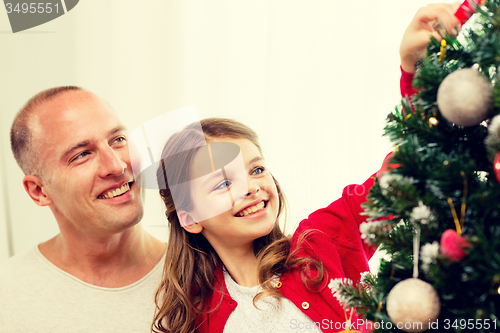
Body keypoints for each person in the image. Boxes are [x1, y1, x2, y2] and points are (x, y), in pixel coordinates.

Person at [152, 3, 462, 333]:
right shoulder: (197, 317)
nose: (251, 187)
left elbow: (402, 174)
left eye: (256, 170)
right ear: (190, 217)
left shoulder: (320, 243)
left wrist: (415, 68)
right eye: (223, 183)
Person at [0, 86, 166, 333]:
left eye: (118, 140)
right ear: (38, 190)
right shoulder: (7, 294)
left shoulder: (209, 272)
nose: (116, 165)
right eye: (82, 155)